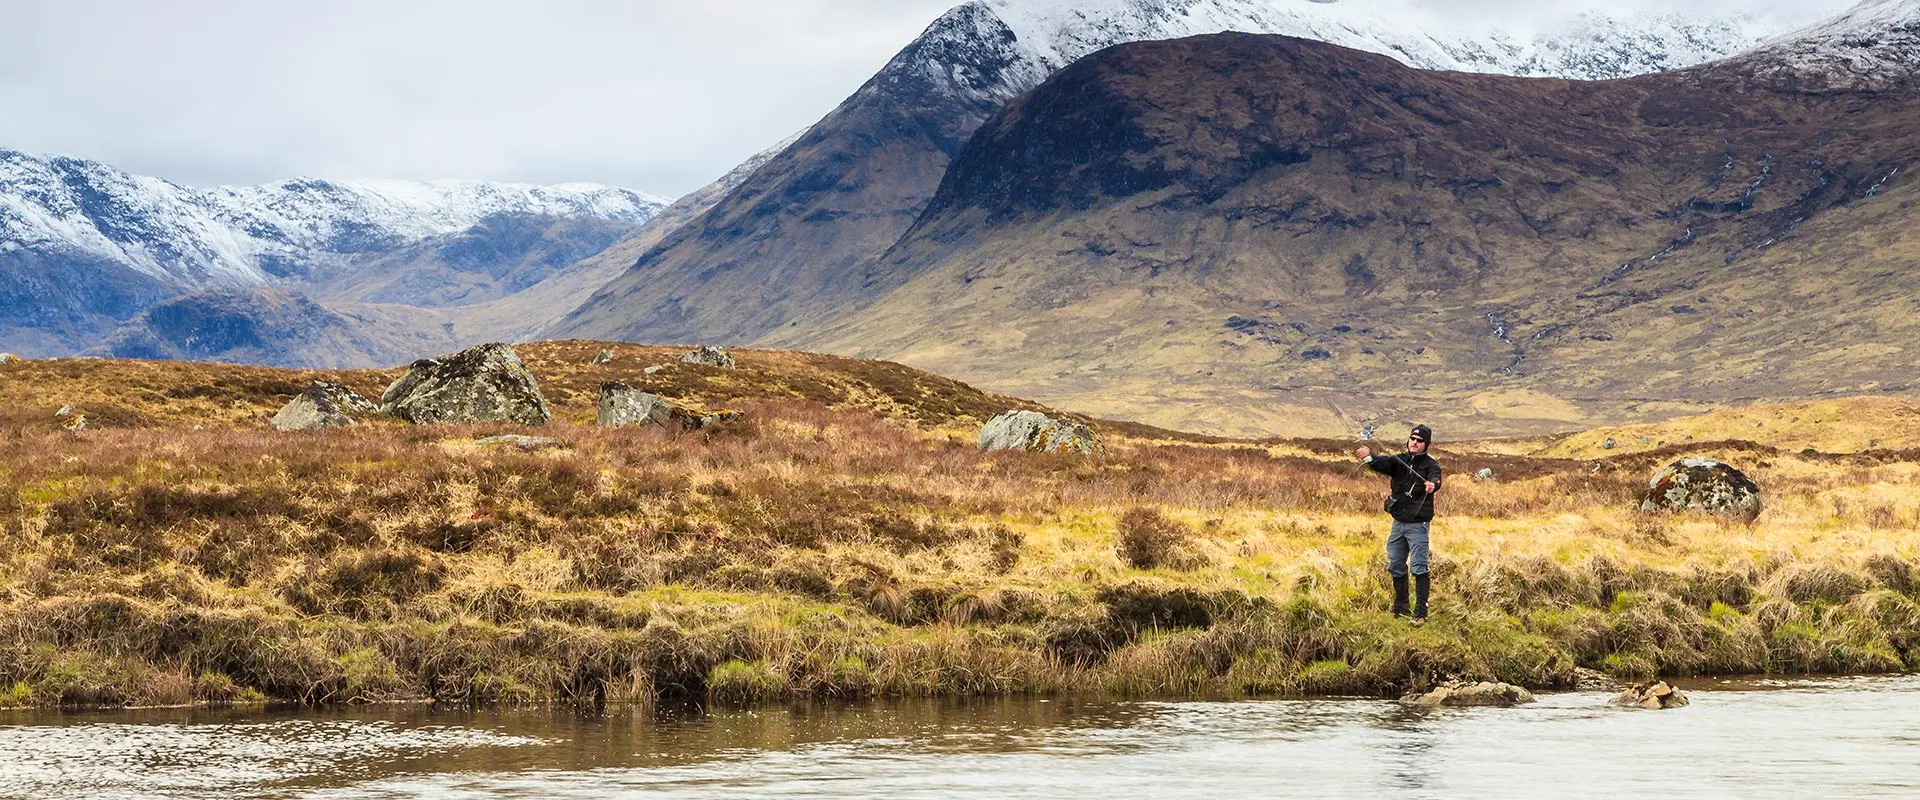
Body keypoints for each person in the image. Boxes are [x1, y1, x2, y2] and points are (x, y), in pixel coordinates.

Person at [1355, 424, 1443, 625]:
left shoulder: (1431, 466)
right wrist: (1368, 456)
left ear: (1426, 444)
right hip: (1398, 523)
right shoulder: (1400, 461)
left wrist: (1433, 485)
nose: (1414, 442)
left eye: (1419, 441)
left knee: (1419, 567)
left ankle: (1421, 613)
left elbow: (1435, 480)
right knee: (1395, 564)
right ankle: (1401, 606)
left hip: (1418, 525)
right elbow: (1382, 463)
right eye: (1412, 439)